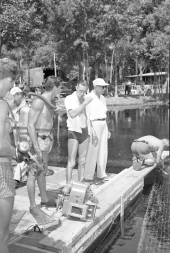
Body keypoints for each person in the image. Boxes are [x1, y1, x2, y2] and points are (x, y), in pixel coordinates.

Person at [27, 76, 59, 222]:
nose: (60, 90)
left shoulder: (50, 102)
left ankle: (44, 199)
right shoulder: (39, 101)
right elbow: (30, 125)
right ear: (55, 87)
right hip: (39, 140)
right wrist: (37, 147)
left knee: (42, 171)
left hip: (46, 140)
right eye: (60, 87)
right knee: (33, 174)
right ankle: (33, 206)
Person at [0, 58, 19, 253]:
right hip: (1, 170)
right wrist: (19, 153)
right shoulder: (2, 104)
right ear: (7, 79)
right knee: (2, 237)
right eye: (13, 82)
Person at [64, 80, 94, 185]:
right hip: (73, 132)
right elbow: (72, 114)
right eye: (80, 90)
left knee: (82, 161)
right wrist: (84, 103)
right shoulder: (69, 99)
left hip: (85, 132)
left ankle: (80, 184)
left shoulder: (86, 99)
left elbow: (89, 117)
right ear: (76, 87)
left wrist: (92, 131)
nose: (82, 93)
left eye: (84, 92)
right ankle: (68, 184)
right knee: (72, 162)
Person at [84, 78, 110, 182]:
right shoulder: (89, 97)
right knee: (92, 150)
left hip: (103, 123)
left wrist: (107, 128)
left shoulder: (103, 98)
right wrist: (91, 130)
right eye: (103, 87)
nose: (104, 88)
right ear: (96, 87)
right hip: (93, 123)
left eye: (105, 87)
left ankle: (101, 173)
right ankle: (88, 175)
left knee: (103, 149)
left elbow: (105, 114)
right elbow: (87, 115)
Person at [10, 87, 27, 187]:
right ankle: (22, 177)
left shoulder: (25, 107)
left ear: (19, 95)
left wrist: (13, 123)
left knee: (23, 155)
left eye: (14, 96)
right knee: (19, 156)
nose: (13, 99)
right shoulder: (15, 107)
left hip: (24, 135)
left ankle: (16, 179)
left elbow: (24, 123)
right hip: (16, 135)